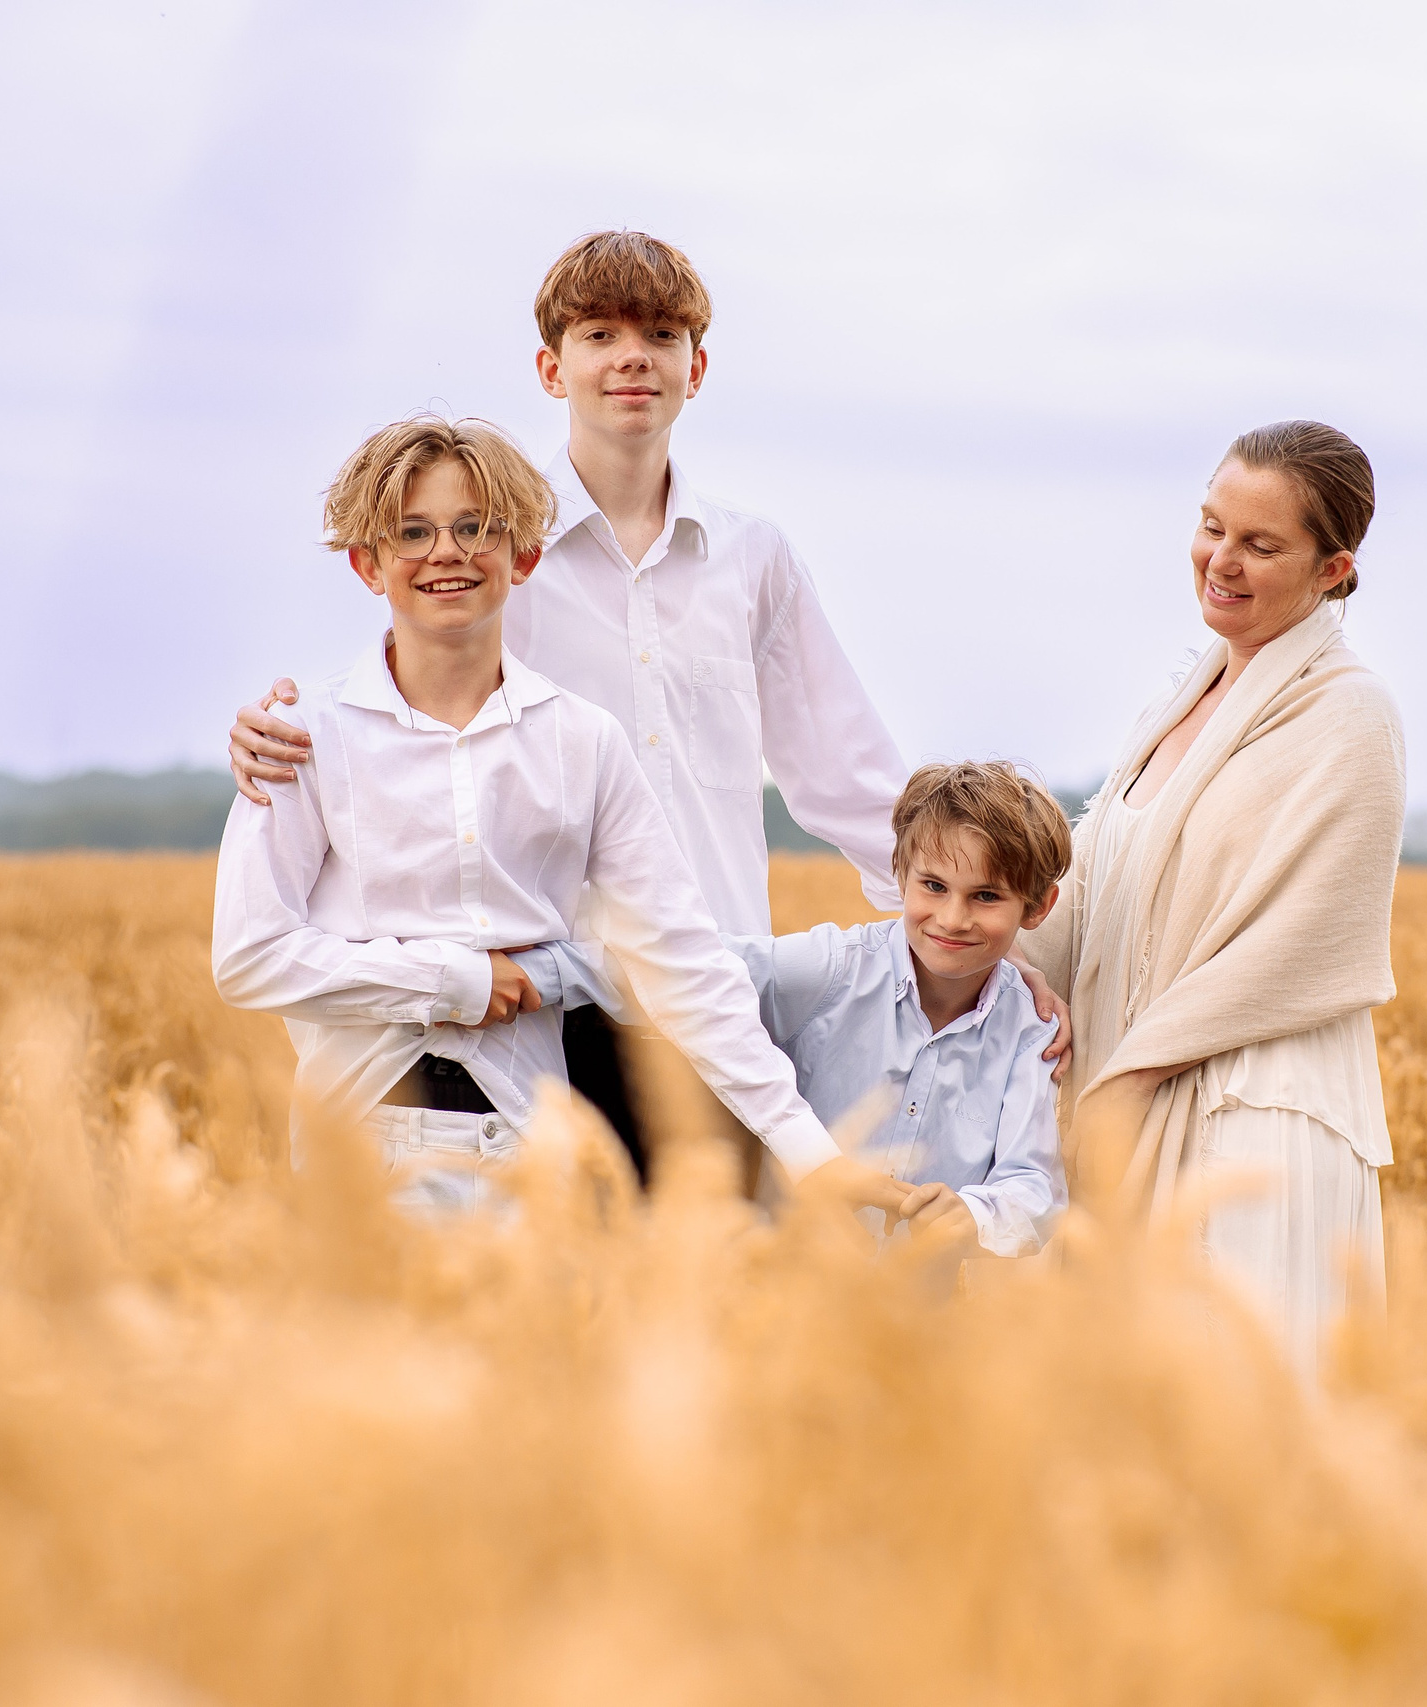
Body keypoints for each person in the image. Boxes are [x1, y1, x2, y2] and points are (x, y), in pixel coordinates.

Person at [223, 232, 1069, 1182]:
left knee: (708, 1296)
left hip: (719, 995)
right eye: (599, 333)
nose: (632, 355)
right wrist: (274, 732)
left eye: (661, 334)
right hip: (543, 1011)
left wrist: (981, 952)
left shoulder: (753, 559)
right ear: (553, 367)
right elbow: (411, 692)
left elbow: (849, 778)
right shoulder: (498, 546)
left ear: (695, 367)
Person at [209, 413, 909, 1219]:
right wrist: (455, 980)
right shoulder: (306, 734)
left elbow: (682, 956)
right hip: (362, 1142)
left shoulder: (583, 742)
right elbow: (250, 955)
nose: (447, 552)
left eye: (476, 527)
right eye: (414, 532)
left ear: (524, 557)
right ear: (370, 563)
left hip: (533, 1151)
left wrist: (811, 1154)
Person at [1020, 421, 1406, 1375]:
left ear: (1334, 569)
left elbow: (1300, 943)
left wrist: (1127, 1079)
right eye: (1210, 525)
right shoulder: (1180, 702)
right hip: (1141, 1097)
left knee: (1242, 1429)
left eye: (1260, 544)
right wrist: (994, 957)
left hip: (1255, 1123)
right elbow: (1100, 886)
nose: (1219, 560)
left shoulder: (1350, 716)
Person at [721, 761, 1073, 1257]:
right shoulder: (832, 970)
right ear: (900, 873)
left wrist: (974, 1213)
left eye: (986, 896)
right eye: (933, 886)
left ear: (1038, 906)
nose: (952, 919)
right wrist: (569, 971)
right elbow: (693, 970)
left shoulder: (1031, 1032)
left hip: (914, 1316)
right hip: (779, 1290)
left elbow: (1033, 1184)